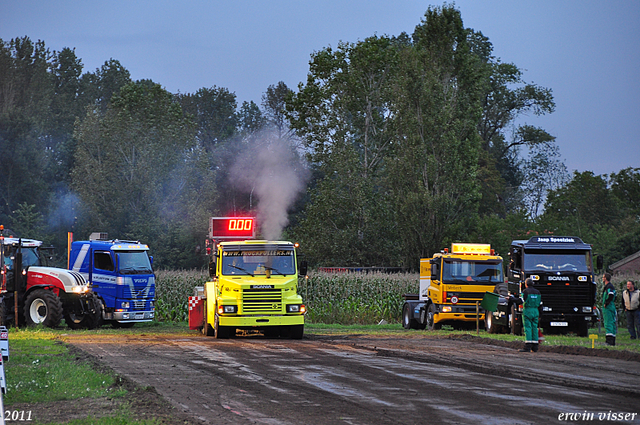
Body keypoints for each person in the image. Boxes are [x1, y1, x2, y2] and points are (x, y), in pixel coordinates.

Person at [511, 278, 542, 352]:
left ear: (526, 284)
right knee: (534, 328)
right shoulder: (538, 292)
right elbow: (541, 305)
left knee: (528, 328)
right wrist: (540, 315)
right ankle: (535, 347)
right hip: (535, 311)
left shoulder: (525, 291)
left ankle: (527, 347)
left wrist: (511, 298)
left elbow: (520, 301)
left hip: (528, 311)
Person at [602, 273, 617, 346]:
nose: (602, 279)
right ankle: (612, 340)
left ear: (605, 278)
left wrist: (606, 303)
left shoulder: (609, 286)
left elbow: (611, 295)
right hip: (611, 306)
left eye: (603, 277)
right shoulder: (610, 286)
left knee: (608, 323)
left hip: (608, 308)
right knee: (612, 323)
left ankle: (609, 341)